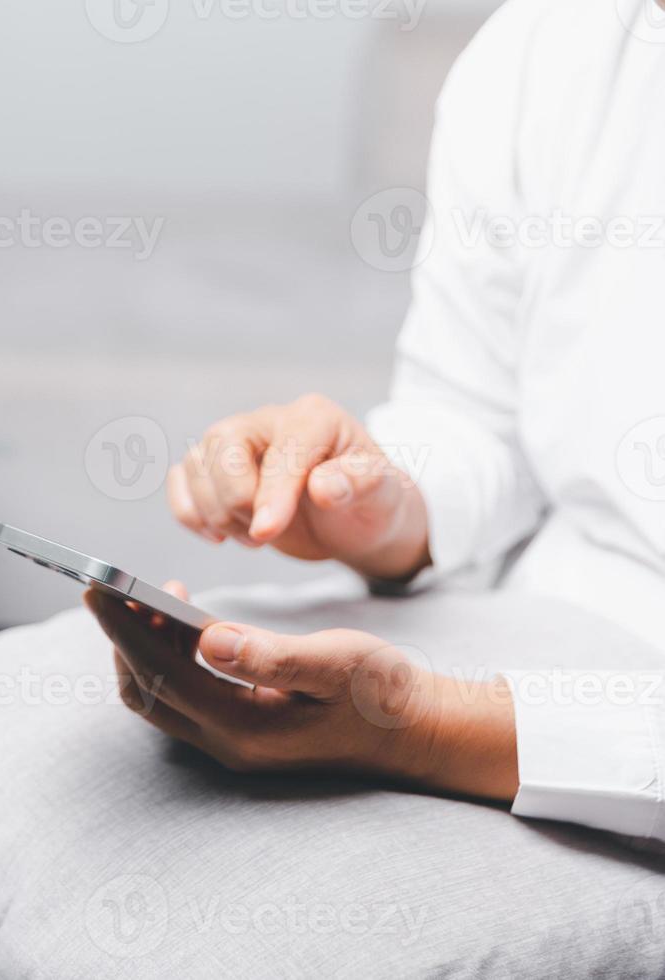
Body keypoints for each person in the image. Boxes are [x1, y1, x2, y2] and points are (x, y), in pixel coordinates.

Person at [86, 0, 665, 841]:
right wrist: (377, 504)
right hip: (527, 642)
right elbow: (481, 413)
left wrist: (429, 730)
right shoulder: (548, 45)